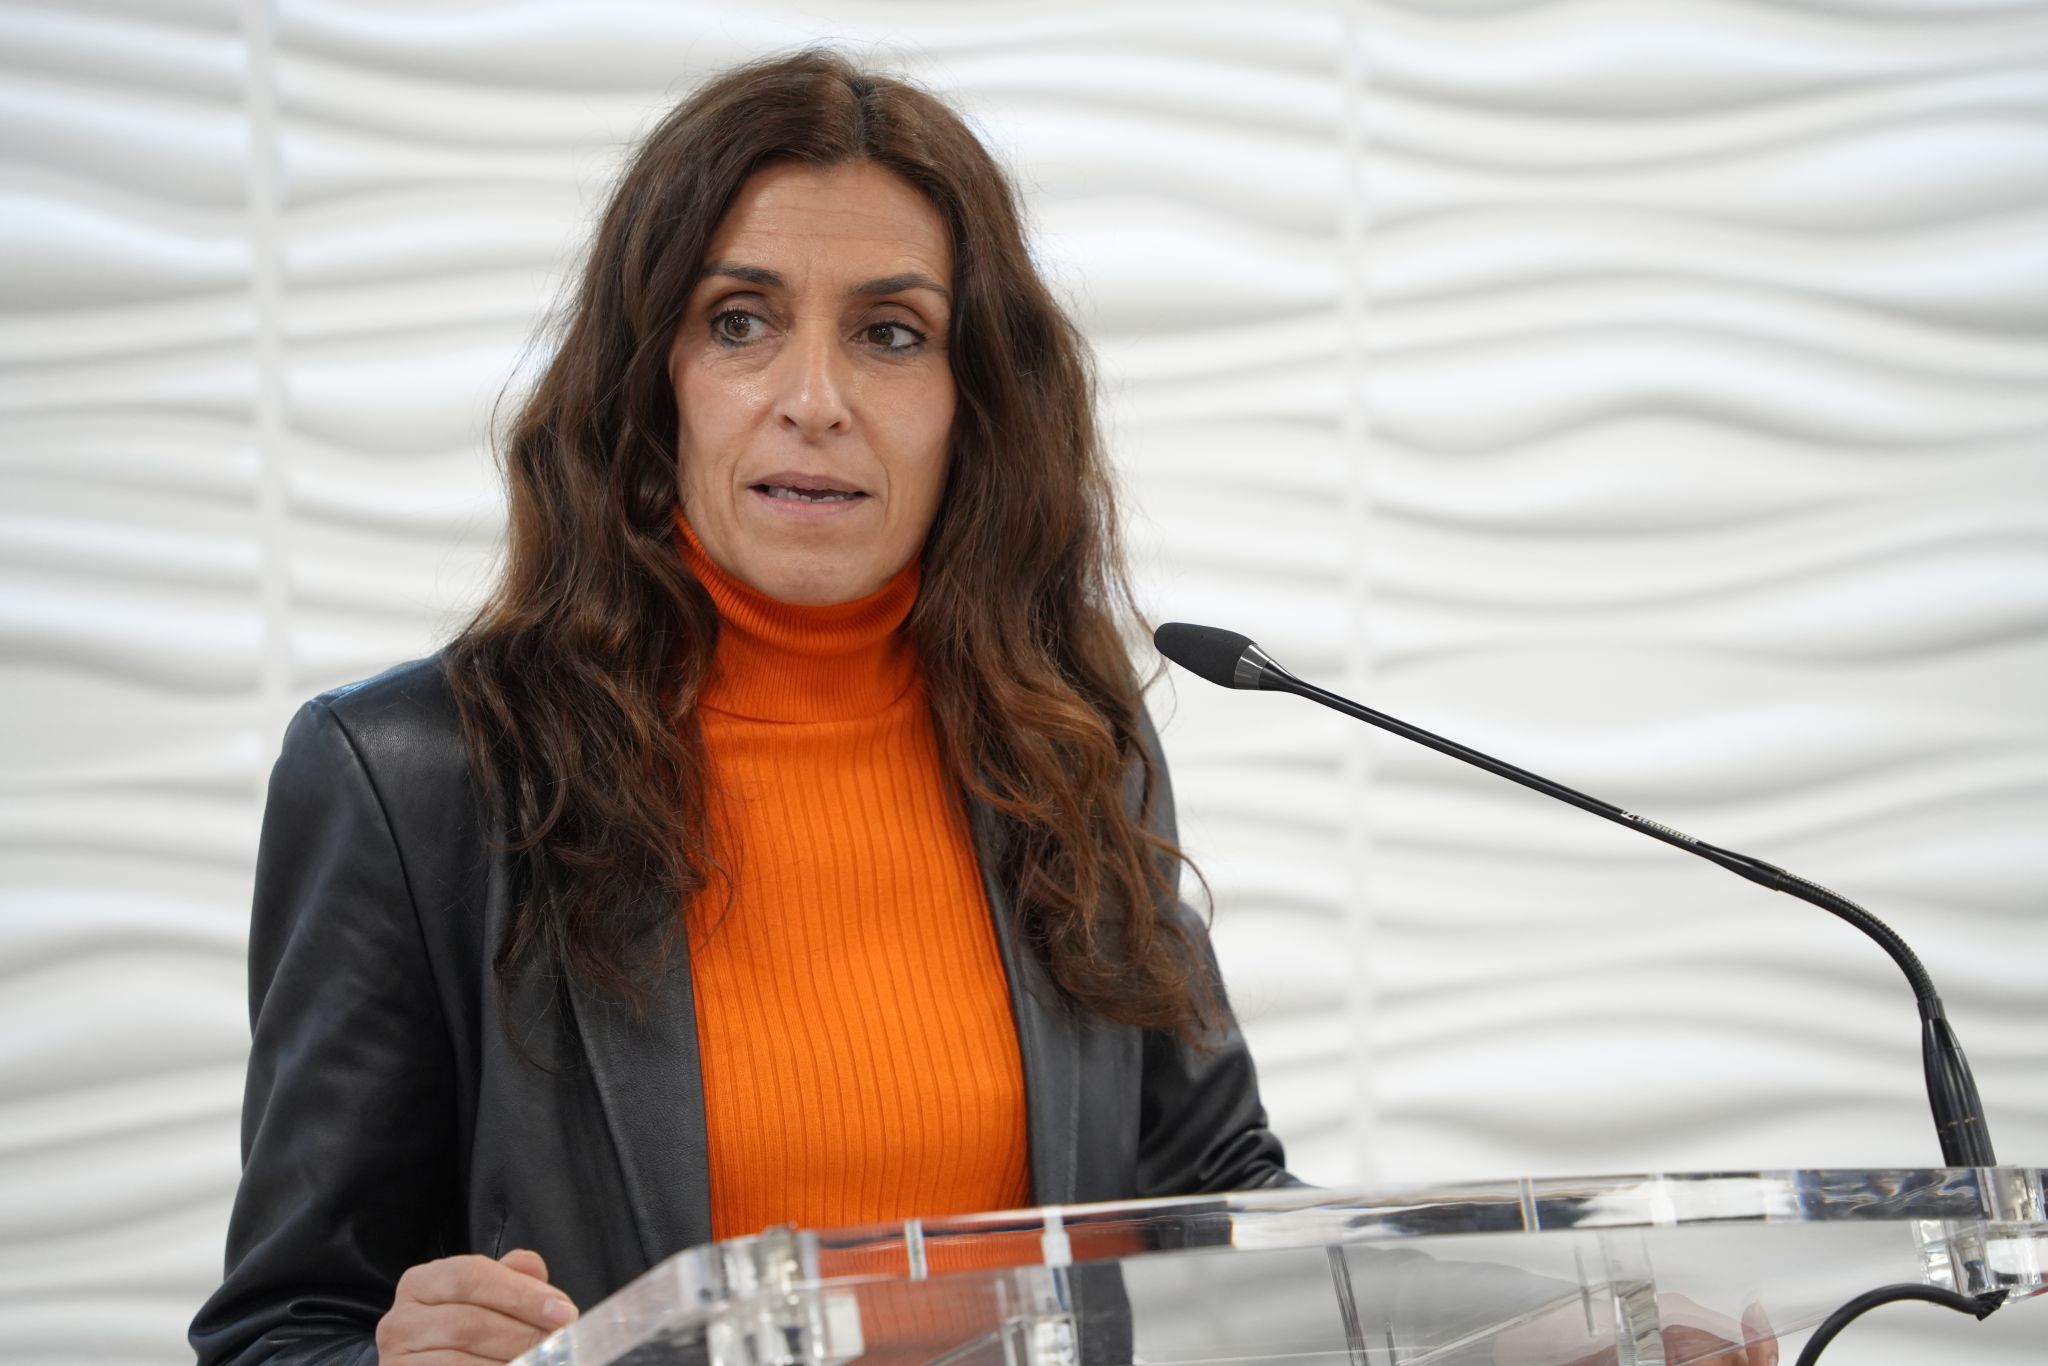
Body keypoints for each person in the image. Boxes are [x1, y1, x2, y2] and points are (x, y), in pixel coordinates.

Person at [189, 48, 1291, 1366]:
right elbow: (282, 1330)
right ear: (651, 377)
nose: (813, 402)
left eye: (891, 334)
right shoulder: (417, 779)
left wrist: (1465, 1301)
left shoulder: (1069, 746)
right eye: (738, 322)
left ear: (975, 401)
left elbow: (1216, 1194)